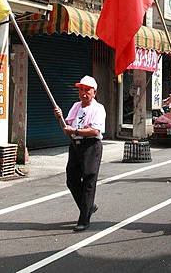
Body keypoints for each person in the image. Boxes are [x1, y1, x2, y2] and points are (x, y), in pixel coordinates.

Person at [54, 75, 106, 232]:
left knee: (89, 181)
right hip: (75, 145)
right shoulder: (76, 106)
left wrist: (75, 130)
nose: (83, 93)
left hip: (91, 146)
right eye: (81, 90)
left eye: (87, 90)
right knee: (72, 180)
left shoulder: (98, 109)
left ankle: (84, 218)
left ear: (94, 92)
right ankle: (89, 206)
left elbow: (95, 130)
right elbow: (67, 128)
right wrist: (60, 117)